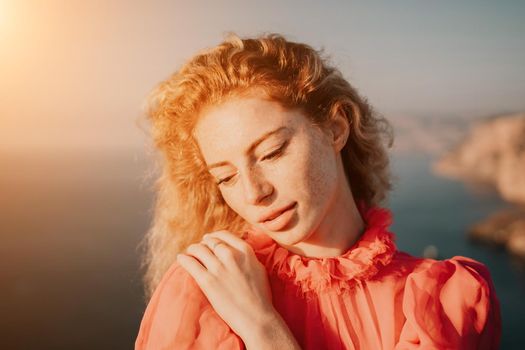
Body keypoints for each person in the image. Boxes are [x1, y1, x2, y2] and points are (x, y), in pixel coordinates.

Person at [134, 33, 501, 349]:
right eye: (226, 177)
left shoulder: (443, 302)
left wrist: (264, 329)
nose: (253, 193)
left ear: (335, 129)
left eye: (271, 152)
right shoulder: (204, 294)